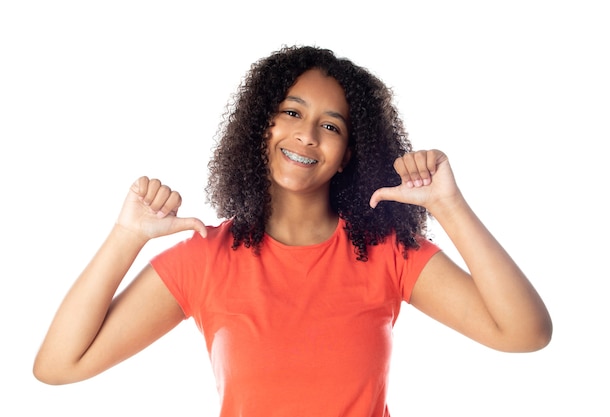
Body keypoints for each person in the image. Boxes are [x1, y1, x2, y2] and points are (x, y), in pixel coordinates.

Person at [33, 45, 552, 416]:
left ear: (348, 153)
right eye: (292, 112)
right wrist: (127, 235)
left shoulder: (386, 253)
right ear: (265, 126)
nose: (307, 133)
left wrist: (450, 206)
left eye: (331, 125)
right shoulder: (205, 258)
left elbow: (526, 333)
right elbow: (58, 366)